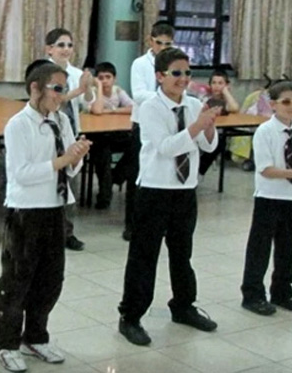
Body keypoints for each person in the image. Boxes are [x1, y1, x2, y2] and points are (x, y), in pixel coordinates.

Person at [118, 47, 221, 347]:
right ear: (160, 76)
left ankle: (184, 306)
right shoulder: (150, 107)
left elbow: (207, 146)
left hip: (184, 191)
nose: (183, 79)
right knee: (144, 256)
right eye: (176, 73)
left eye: (188, 73)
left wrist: (209, 128)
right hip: (154, 190)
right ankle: (131, 316)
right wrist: (197, 126)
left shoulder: (193, 104)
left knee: (182, 252)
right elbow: (165, 147)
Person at [0, 62, 91, 372]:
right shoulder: (18, 125)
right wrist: (62, 160)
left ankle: (36, 336)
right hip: (26, 210)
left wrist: (75, 158)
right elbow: (21, 174)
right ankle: (8, 343)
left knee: (51, 279)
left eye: (64, 89)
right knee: (17, 281)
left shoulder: (61, 120)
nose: (61, 96)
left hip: (55, 207)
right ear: (35, 88)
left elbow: (68, 168)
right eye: (56, 89)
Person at [240, 81, 292, 316]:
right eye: (286, 102)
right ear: (273, 104)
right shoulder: (265, 131)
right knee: (260, 247)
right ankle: (253, 293)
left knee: (287, 246)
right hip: (269, 197)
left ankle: (282, 290)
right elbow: (266, 169)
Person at [124, 21, 175, 241]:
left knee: (163, 174)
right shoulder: (140, 64)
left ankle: (159, 223)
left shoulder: (175, 64)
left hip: (167, 125)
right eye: (159, 43)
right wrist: (166, 96)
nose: (162, 47)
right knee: (138, 176)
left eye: (168, 44)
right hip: (142, 125)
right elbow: (139, 94)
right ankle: (132, 225)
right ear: (150, 41)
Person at [45, 28, 93, 251]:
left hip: (71, 134)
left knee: (70, 187)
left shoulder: (74, 73)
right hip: (48, 136)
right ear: (50, 49)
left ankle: (68, 232)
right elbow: (55, 100)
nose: (66, 50)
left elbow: (86, 102)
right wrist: (79, 90)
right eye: (61, 45)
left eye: (69, 45)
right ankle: (49, 233)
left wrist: (88, 87)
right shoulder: (43, 72)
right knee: (49, 187)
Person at [88, 62, 134, 209]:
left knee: (135, 145)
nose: (105, 80)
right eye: (101, 78)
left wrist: (113, 110)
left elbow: (133, 107)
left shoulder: (118, 91)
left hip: (116, 133)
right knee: (102, 153)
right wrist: (99, 88)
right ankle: (104, 195)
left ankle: (116, 177)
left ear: (114, 78)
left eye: (108, 77)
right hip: (96, 136)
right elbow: (98, 110)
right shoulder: (92, 92)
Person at [198, 68, 240, 176]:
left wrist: (225, 91)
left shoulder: (225, 101)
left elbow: (234, 108)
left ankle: (199, 171)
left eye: (220, 83)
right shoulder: (206, 99)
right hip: (201, 130)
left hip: (217, 132)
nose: (217, 86)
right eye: (214, 83)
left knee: (220, 142)